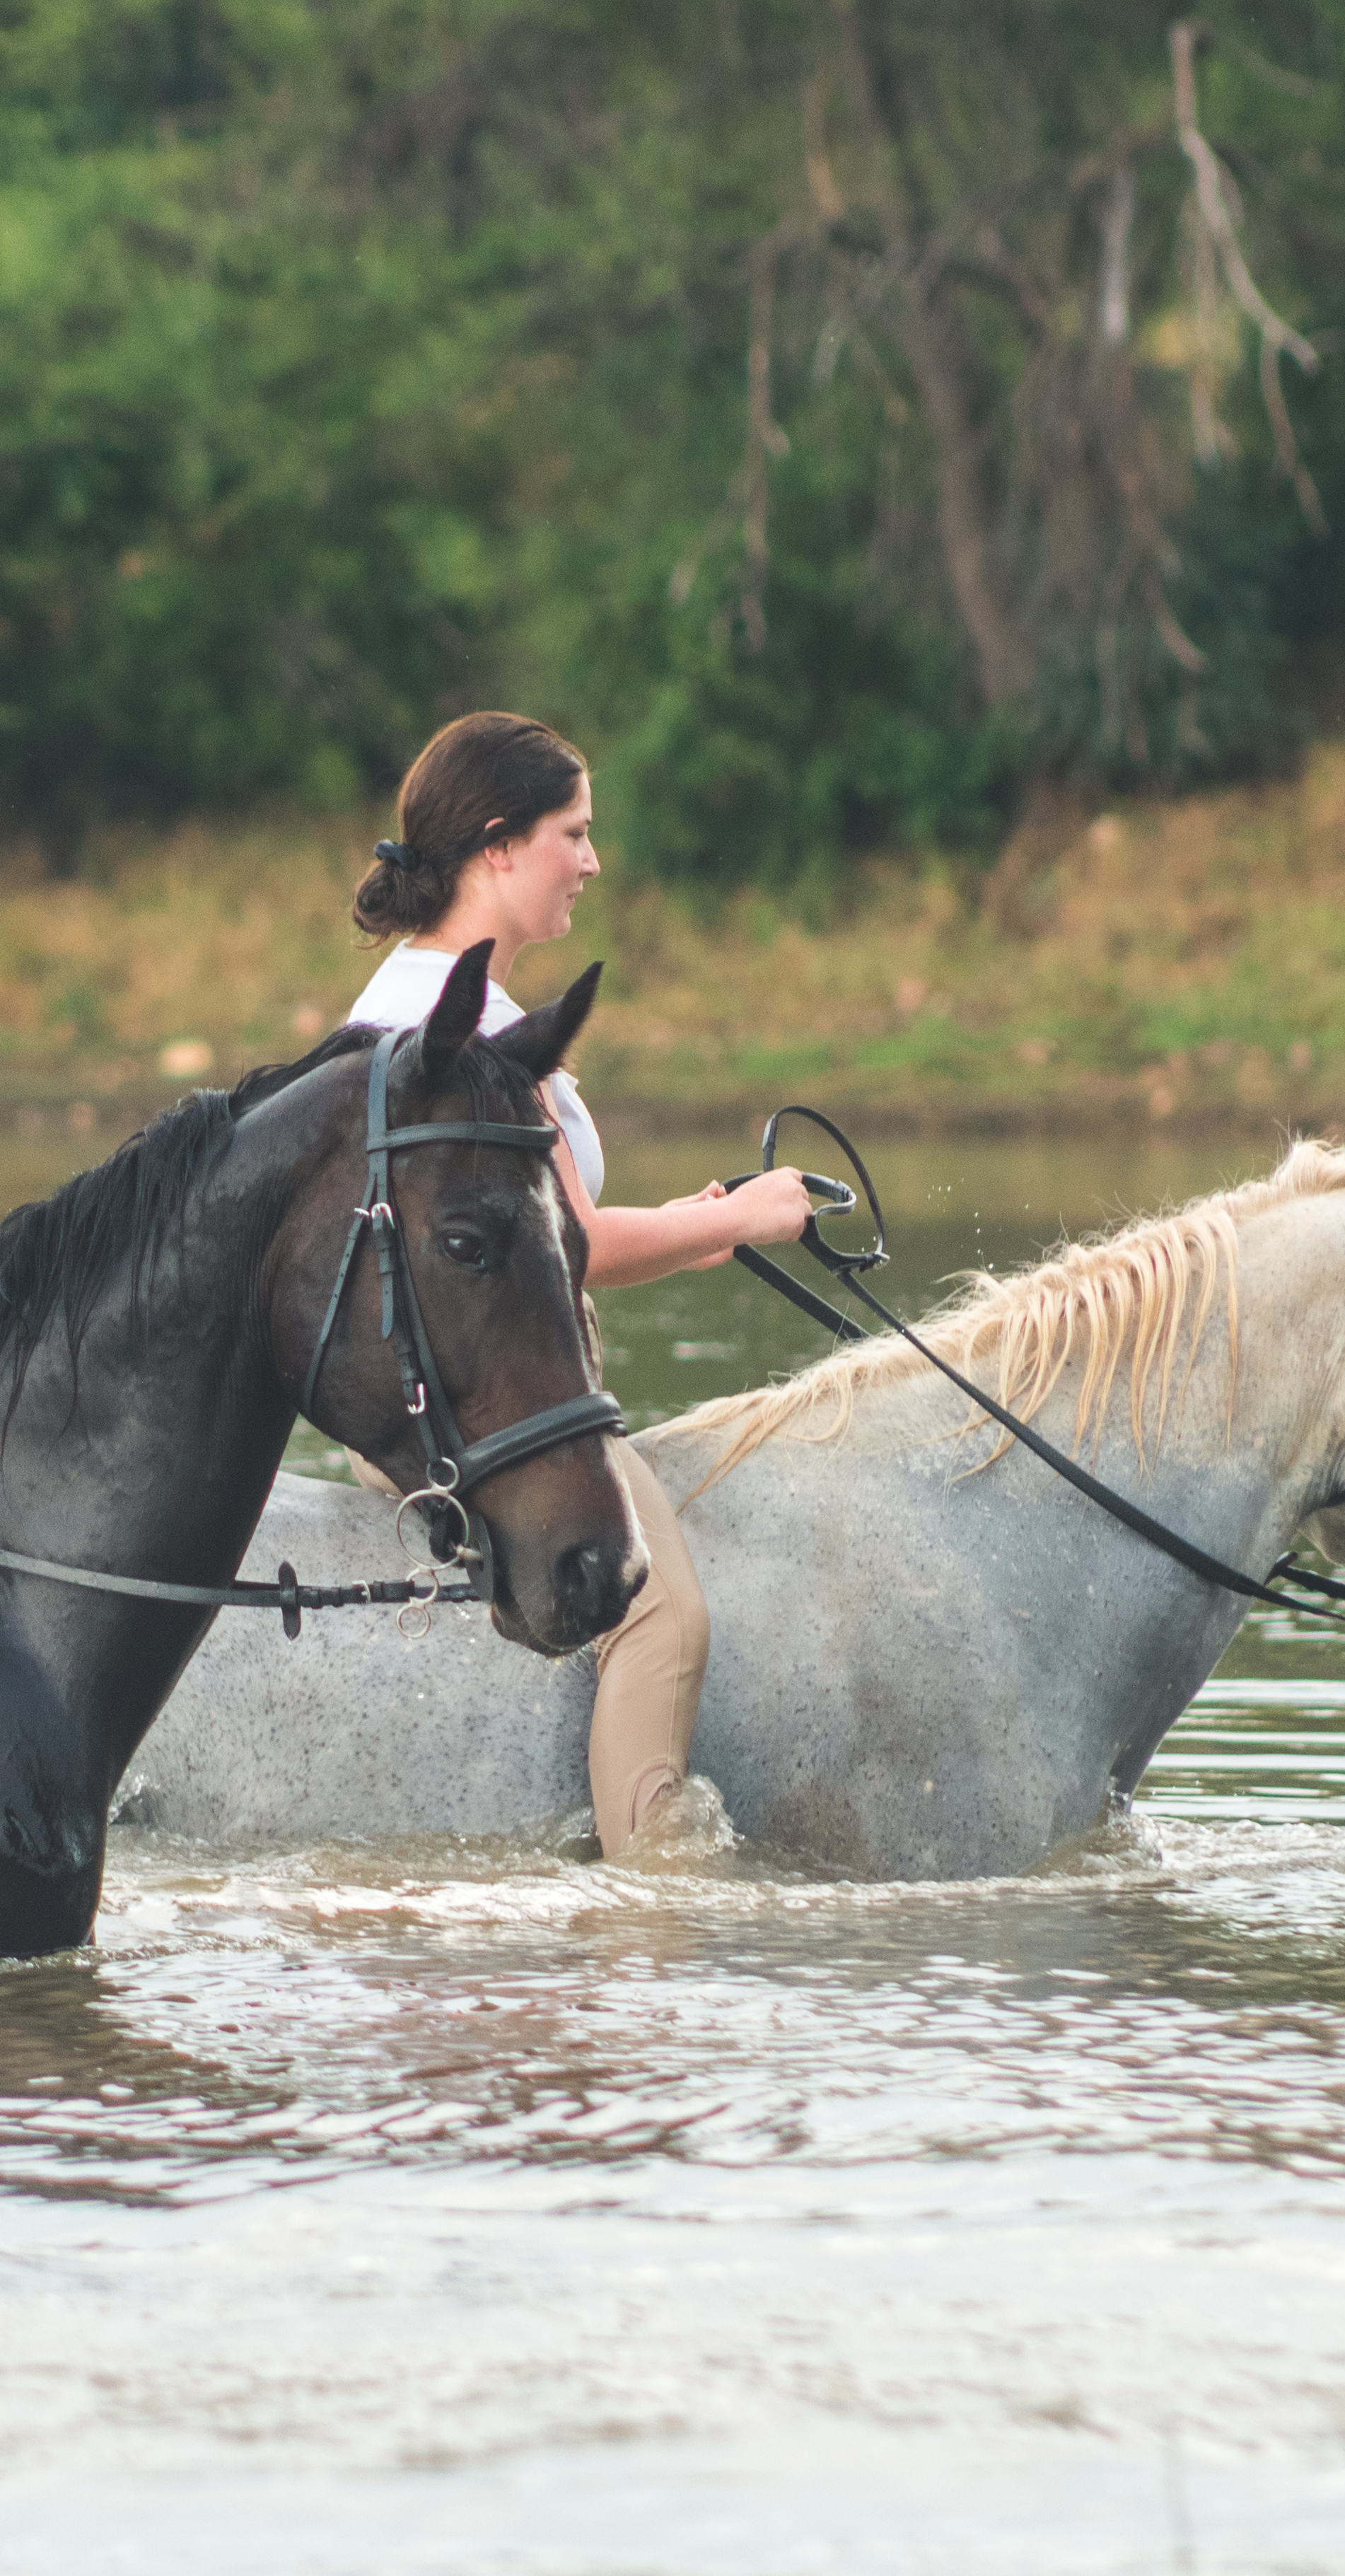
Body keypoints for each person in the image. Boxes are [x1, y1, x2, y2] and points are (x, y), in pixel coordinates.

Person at [346, 710, 815, 1860]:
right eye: (575, 833)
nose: (593, 863)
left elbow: (548, 1232)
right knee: (664, 1613)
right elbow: (578, 1247)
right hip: (473, 1400)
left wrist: (700, 1227)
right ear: (499, 845)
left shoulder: (414, 997)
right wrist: (749, 1216)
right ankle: (652, 1896)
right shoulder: (472, 1035)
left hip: (448, 1379)